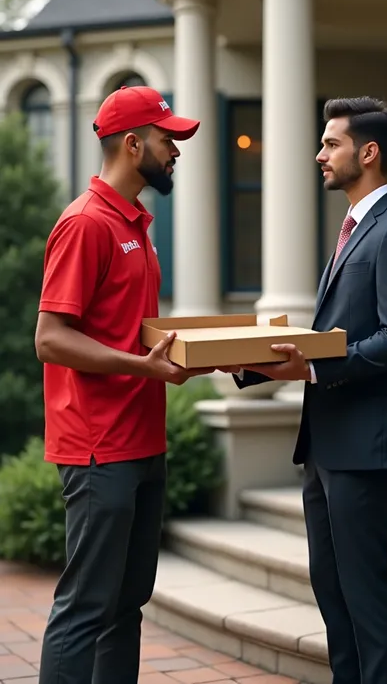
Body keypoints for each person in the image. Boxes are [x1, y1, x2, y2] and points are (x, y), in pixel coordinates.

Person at [234, 96, 387, 684]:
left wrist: (314, 369)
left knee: (364, 589)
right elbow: (328, 337)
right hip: (324, 443)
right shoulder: (352, 228)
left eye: (331, 143)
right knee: (331, 588)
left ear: (367, 153)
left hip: (365, 445)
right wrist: (249, 363)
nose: (319, 154)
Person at [35, 85, 216, 684]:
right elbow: (50, 338)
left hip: (143, 441)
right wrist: (145, 366)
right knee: (86, 607)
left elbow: (130, 329)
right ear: (133, 143)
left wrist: (197, 352)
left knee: (126, 605)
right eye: (169, 140)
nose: (176, 151)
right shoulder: (87, 224)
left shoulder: (136, 222)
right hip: (98, 447)